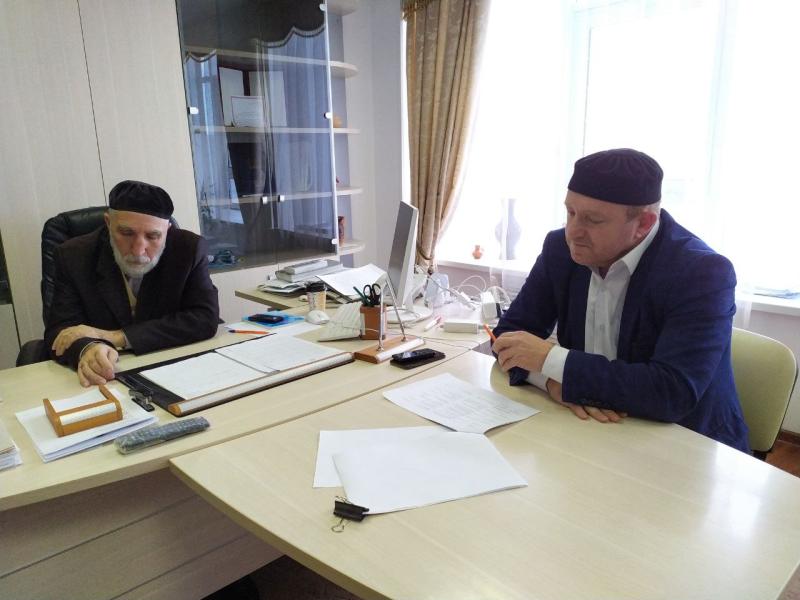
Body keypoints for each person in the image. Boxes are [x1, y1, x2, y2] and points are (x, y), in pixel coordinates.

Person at [492, 148, 749, 453]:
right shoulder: (560, 249)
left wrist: (551, 360)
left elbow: (672, 392)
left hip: (685, 444)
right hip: (587, 429)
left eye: (593, 220)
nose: (573, 232)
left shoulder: (701, 272)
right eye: (570, 213)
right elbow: (507, 336)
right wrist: (550, 381)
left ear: (643, 224)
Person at [44, 180, 220, 387]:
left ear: (167, 230)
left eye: (153, 236)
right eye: (126, 233)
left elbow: (205, 318)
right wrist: (88, 348)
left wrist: (114, 337)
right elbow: (61, 330)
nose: (138, 250)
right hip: (106, 376)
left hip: (171, 366)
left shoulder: (188, 249)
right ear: (108, 223)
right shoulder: (74, 255)